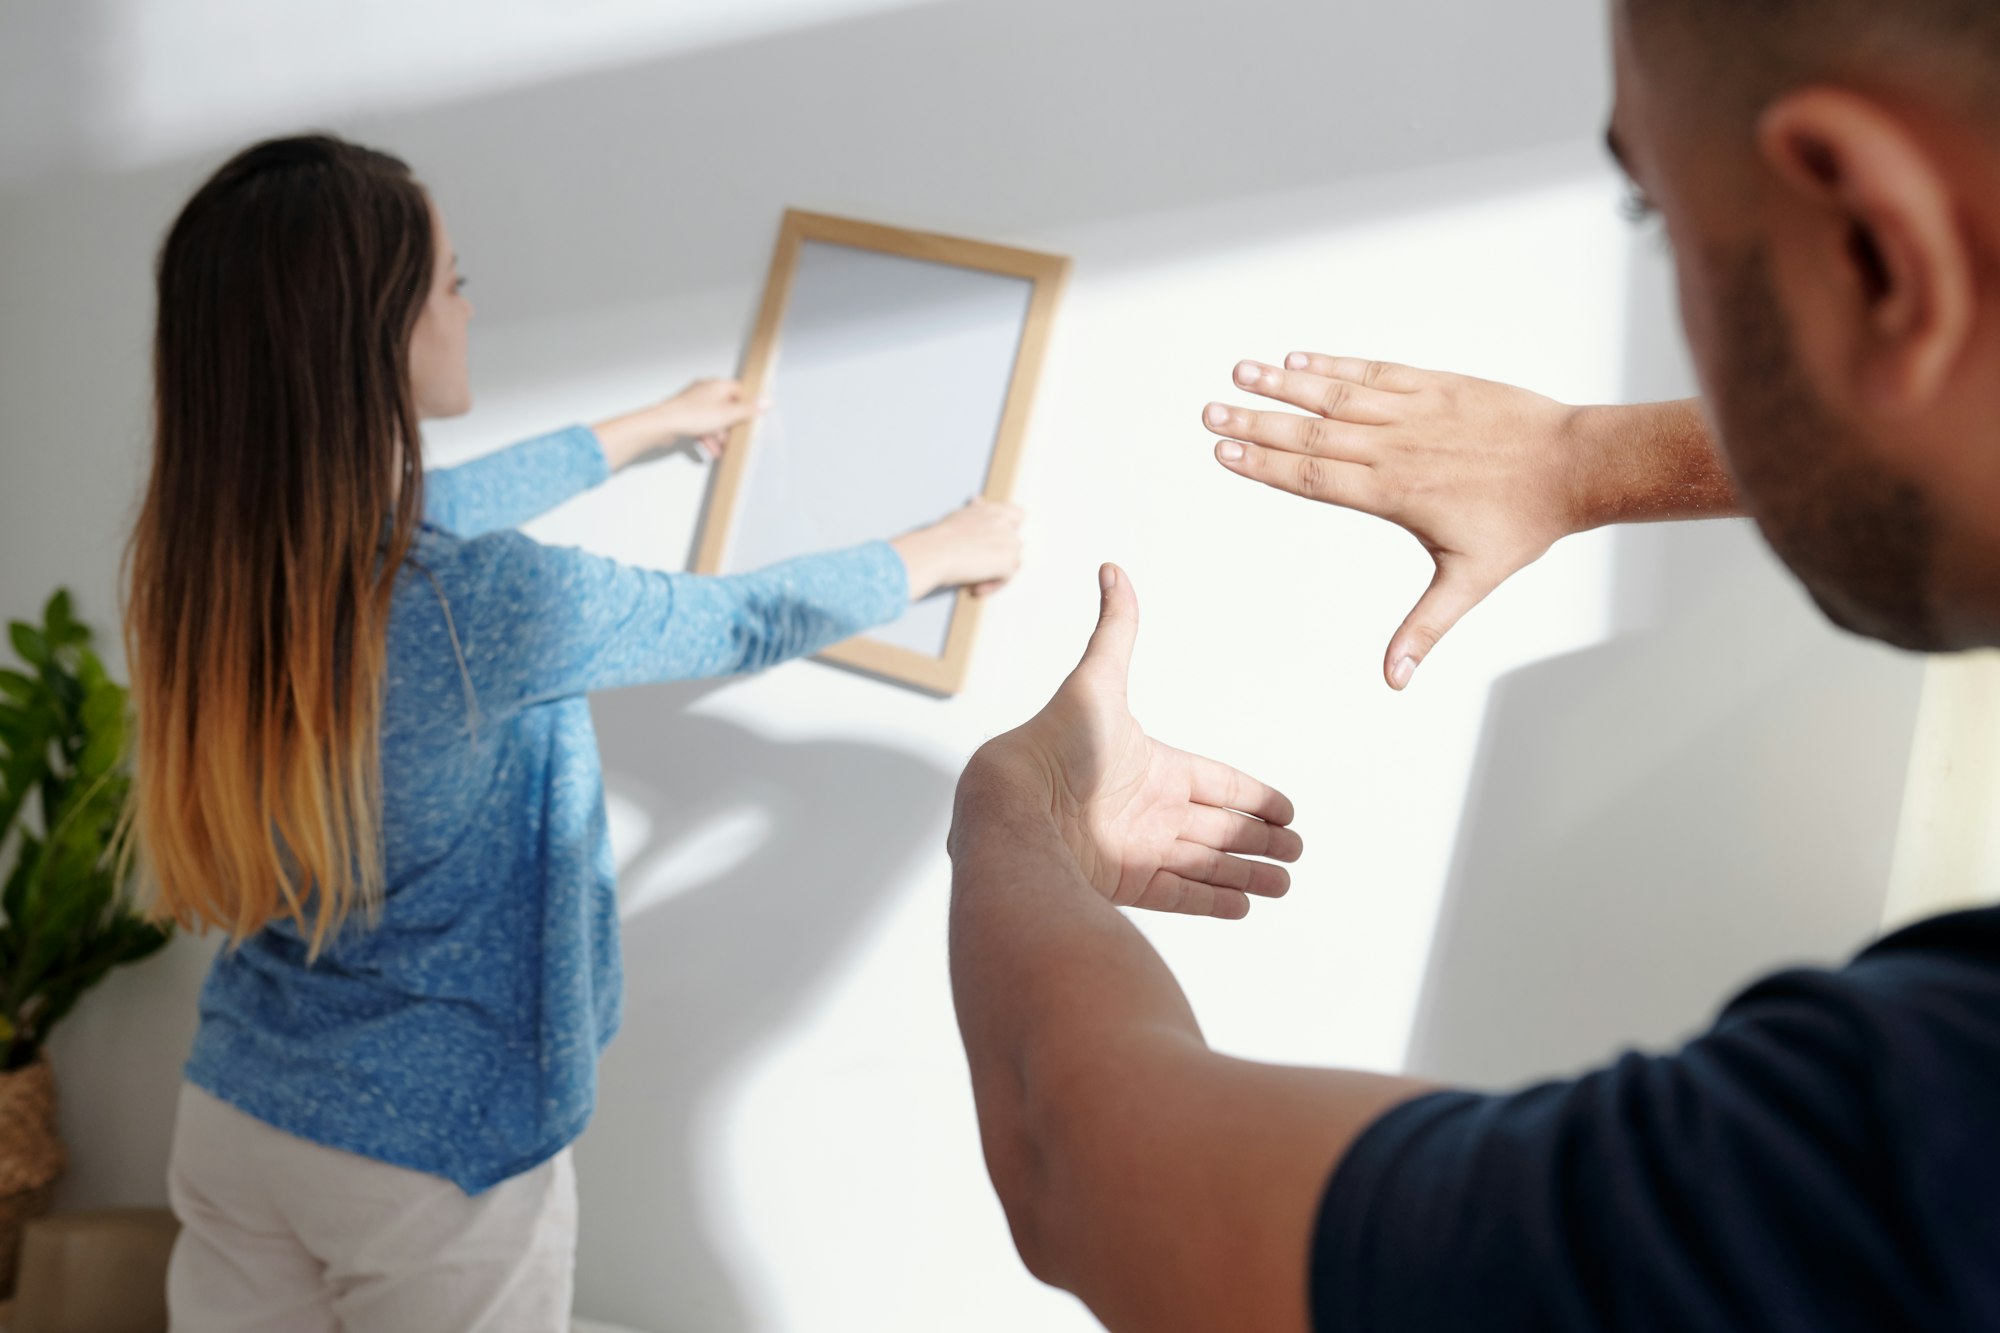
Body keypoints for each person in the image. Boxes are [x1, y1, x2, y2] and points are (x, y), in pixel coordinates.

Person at [946, 1, 2000, 1329]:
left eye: (1656, 215)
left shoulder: (1917, 1142)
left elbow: (1078, 1165)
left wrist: (1015, 817)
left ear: (1878, 248)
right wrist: (1582, 460)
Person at [126, 133, 1022, 1332]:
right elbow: (741, 619)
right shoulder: (475, 604)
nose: (467, 307)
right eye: (451, 282)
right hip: (427, 1162)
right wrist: (937, 551)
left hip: (240, 1109)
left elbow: (435, 506)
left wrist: (640, 428)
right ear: (378, 334)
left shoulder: (216, 567)